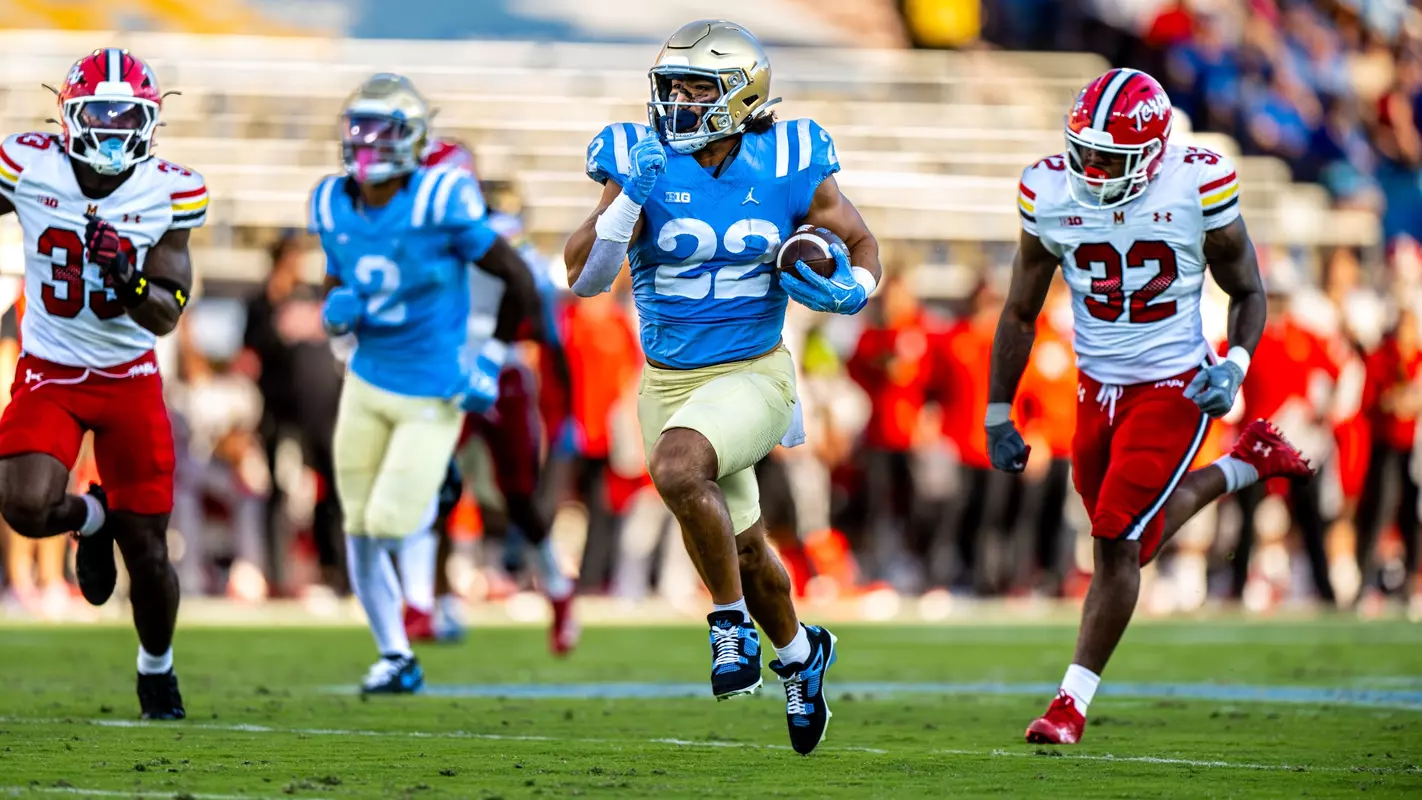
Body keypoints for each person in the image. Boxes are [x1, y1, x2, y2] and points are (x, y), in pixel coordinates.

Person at [563, 19, 881, 754]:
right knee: (745, 549)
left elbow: (859, 241)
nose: (676, 100)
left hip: (753, 372)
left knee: (679, 467)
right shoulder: (635, 155)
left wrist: (851, 291)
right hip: (668, 382)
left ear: (742, 96)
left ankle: (729, 627)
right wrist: (625, 202)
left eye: (695, 87)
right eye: (670, 85)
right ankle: (802, 654)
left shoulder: (792, 154)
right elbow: (582, 279)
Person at [986, 68, 1314, 745]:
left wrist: (1234, 365)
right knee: (1127, 542)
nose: (1090, 167)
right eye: (1083, 150)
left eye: (1109, 156)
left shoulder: (1197, 183)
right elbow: (1020, 308)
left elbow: (1249, 288)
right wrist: (997, 409)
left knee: (1113, 535)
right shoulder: (1048, 189)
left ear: (1154, 154)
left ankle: (1069, 705)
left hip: (1175, 382)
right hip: (1093, 385)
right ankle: (1244, 465)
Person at [310, 73, 539, 694]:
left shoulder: (442, 199)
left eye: (380, 129)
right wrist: (340, 311)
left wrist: (491, 358)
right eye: (358, 126)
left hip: (431, 389)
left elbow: (519, 280)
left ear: (410, 138)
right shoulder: (330, 200)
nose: (365, 141)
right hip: (366, 379)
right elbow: (340, 276)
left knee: (385, 522)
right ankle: (394, 654)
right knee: (355, 525)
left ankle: (435, 522)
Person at [0, 48, 203, 719]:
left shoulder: (171, 190)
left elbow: (167, 311)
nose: (113, 131)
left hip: (128, 377)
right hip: (50, 371)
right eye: (99, 115)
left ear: (151, 122)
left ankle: (158, 668)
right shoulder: (29, 164)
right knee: (24, 506)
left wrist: (131, 280)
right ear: (67, 116)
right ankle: (89, 517)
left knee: (147, 550)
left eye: (128, 118)